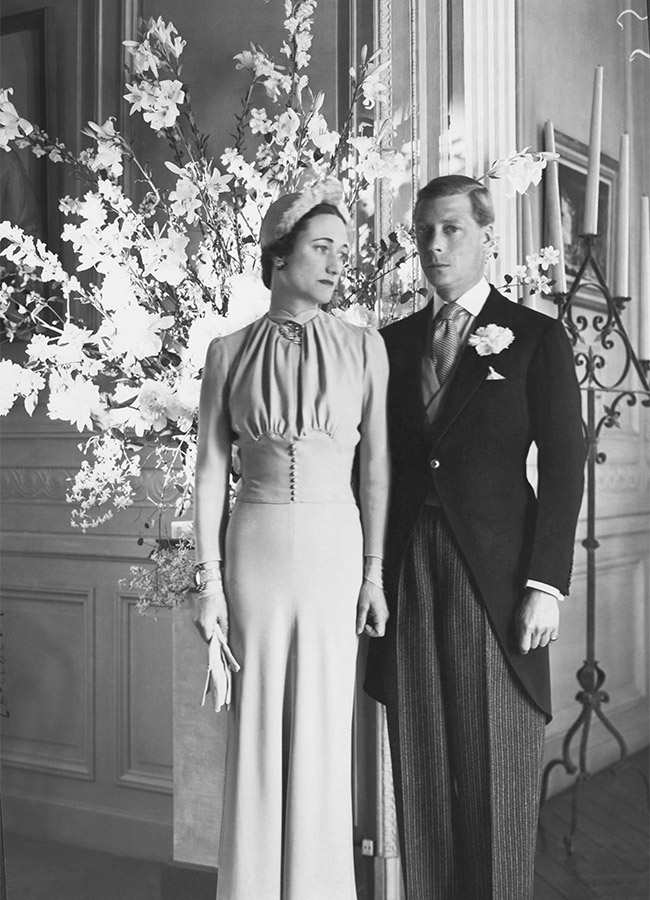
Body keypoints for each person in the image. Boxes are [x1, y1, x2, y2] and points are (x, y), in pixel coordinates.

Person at [365, 174, 586, 900]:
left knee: (496, 781)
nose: (433, 245)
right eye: (423, 231)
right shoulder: (388, 346)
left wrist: (545, 584)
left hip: (497, 581)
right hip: (405, 576)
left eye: (451, 229)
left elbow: (562, 464)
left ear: (489, 237)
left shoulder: (534, 337)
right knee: (422, 775)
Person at [192, 178, 390, 900]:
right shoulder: (228, 352)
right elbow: (210, 476)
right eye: (321, 248)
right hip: (257, 552)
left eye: (345, 251)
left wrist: (372, 575)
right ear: (279, 256)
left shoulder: (366, 350)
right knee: (256, 731)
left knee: (324, 732)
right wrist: (208, 584)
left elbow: (378, 475)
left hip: (337, 552)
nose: (338, 264)